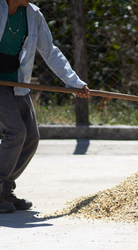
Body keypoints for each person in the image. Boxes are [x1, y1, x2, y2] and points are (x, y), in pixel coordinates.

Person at [0, 0, 90, 213]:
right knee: (15, 132)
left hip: (18, 84)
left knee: (31, 136)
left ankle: (4, 189)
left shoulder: (33, 15)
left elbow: (50, 52)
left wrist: (74, 83)